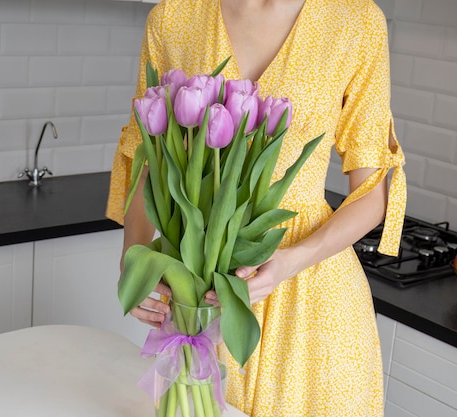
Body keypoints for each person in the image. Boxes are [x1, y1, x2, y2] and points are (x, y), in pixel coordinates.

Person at [106, 0, 406, 415]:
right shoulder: (173, 17)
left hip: (313, 296)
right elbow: (147, 160)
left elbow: (371, 195)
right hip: (203, 285)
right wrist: (134, 261)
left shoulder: (355, 20)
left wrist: (292, 260)